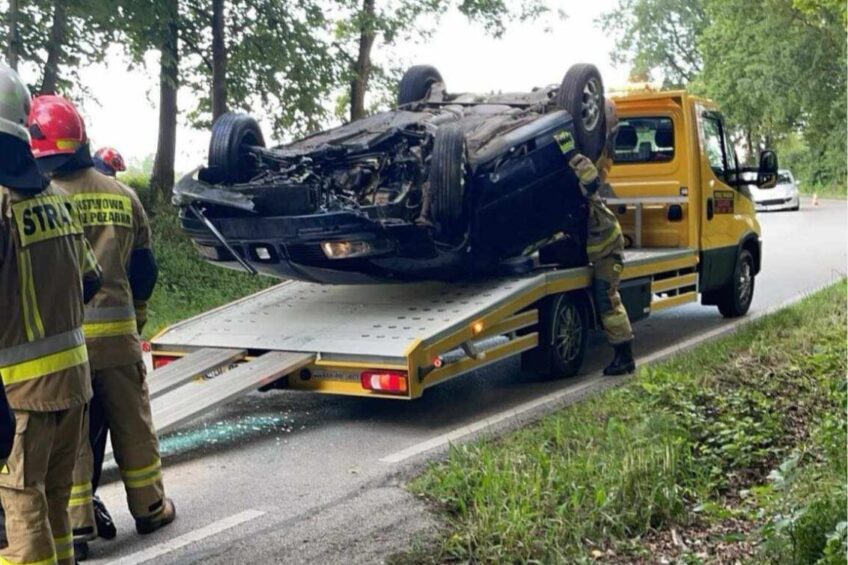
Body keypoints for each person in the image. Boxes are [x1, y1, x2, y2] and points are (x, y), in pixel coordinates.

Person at [28, 94, 173, 559]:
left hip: (66, 347)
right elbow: (144, 271)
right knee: (134, 426)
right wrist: (137, 320)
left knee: (72, 439)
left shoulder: (44, 202)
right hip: (120, 342)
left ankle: (76, 527)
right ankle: (151, 506)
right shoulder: (123, 195)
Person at [0, 61, 101, 565]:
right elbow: (91, 278)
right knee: (56, 507)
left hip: (17, 398)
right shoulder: (56, 199)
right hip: (71, 386)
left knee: (21, 515)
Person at [555, 98, 636, 375]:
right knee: (604, 299)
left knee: (607, 298)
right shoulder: (601, 150)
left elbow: (590, 182)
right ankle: (622, 354)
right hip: (596, 250)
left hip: (607, 251)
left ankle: (625, 356)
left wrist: (571, 155)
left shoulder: (596, 166)